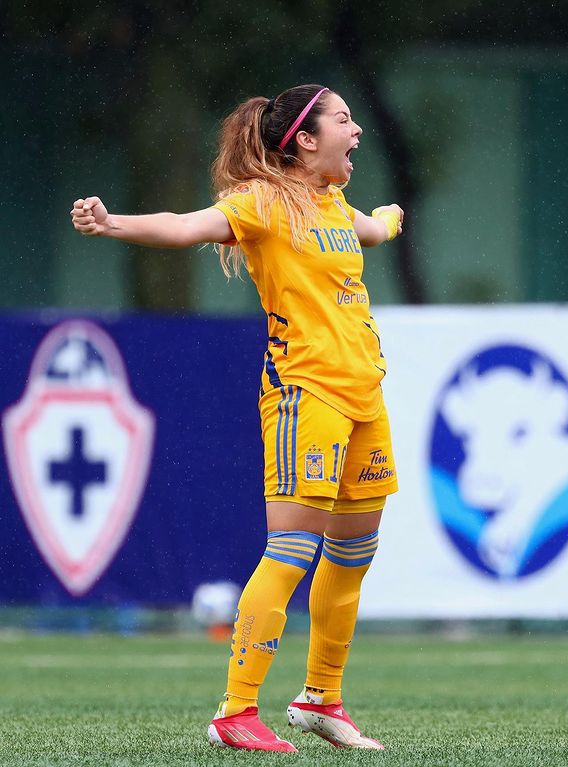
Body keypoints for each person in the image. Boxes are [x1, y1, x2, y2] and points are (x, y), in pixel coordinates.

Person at [71, 83, 403, 753]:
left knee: (354, 551)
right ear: (306, 140)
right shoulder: (263, 203)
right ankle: (236, 709)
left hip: (365, 395)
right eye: (344, 119)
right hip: (305, 396)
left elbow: (369, 228)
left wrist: (392, 219)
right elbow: (185, 224)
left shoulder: (333, 202)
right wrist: (113, 224)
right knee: (292, 550)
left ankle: (320, 697)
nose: (357, 130)